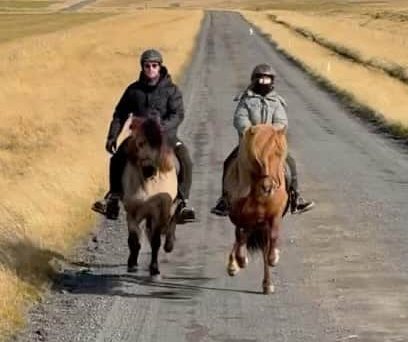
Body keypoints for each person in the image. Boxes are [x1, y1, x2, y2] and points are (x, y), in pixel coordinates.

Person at [92, 49, 195, 223]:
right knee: (116, 159)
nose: (150, 69)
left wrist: (162, 127)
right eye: (147, 66)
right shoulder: (133, 90)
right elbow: (120, 113)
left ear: (160, 67)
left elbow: (178, 114)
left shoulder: (171, 90)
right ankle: (114, 198)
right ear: (142, 67)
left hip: (165, 137)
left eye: (154, 65)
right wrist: (112, 136)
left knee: (186, 159)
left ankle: (183, 203)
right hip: (138, 139)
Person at [211, 63, 314, 216]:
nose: (264, 82)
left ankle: (295, 197)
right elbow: (239, 119)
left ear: (272, 81)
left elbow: (282, 122)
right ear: (254, 80)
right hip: (248, 145)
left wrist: (269, 132)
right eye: (261, 79)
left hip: (272, 146)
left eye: (267, 79)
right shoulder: (245, 100)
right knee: (228, 162)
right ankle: (225, 199)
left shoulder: (277, 102)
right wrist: (252, 131)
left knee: (290, 163)